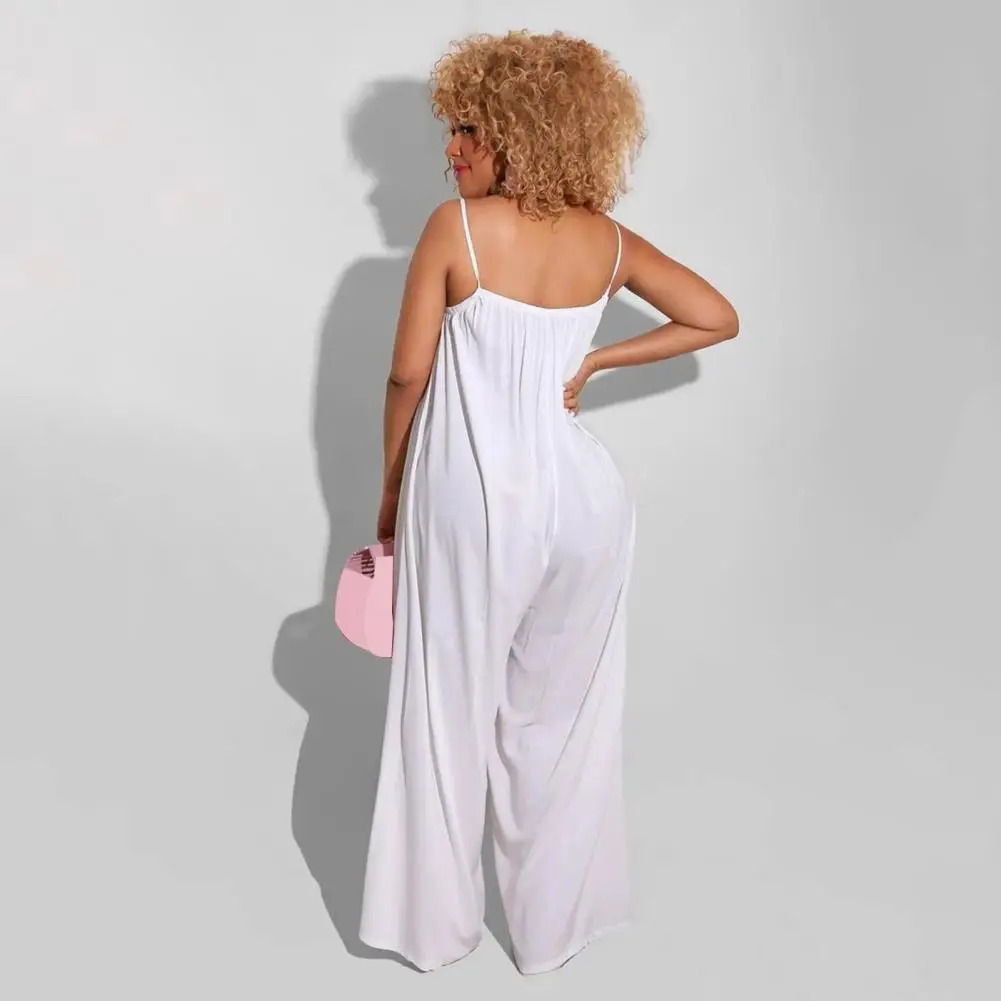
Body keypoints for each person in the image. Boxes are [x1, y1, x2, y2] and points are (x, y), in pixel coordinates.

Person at [359, 29, 739, 975]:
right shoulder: (606, 241)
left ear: (522, 131)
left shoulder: (455, 230)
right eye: (450, 130)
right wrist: (598, 357)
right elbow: (715, 316)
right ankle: (549, 936)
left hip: (473, 500)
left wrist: (389, 497)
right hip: (585, 505)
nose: (451, 151)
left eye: (469, 130)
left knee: (445, 715)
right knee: (562, 723)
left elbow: (406, 377)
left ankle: (434, 934)